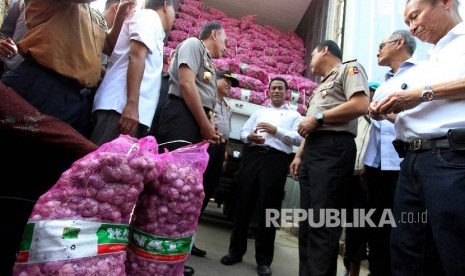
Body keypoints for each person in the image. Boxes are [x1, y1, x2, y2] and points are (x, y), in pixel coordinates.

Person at [0, 0, 135, 274]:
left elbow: (105, 47)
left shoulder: (93, 14)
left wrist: (120, 16)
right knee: (19, 184)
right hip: (42, 84)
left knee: (48, 190)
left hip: (75, 98)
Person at [371, 0, 465, 275]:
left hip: (450, 160)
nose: (412, 27)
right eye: (408, 21)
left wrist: (418, 94)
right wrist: (393, 113)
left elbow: (426, 95)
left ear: (445, 3)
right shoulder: (429, 60)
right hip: (413, 161)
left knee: (454, 251)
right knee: (407, 252)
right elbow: (427, 108)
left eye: (415, 16)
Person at [290, 40, 369, 276]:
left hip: (333, 149)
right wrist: (299, 155)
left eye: (312, 55)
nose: (310, 61)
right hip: (313, 150)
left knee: (323, 223)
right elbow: (311, 124)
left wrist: (320, 118)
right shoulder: (320, 86)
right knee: (307, 224)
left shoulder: (349, 69)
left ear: (324, 50)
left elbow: (361, 104)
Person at [155, 21, 229, 276]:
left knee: (185, 193)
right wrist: (204, 125)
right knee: (171, 189)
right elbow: (187, 85)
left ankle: (169, 258)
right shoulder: (192, 45)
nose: (225, 47)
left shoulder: (209, 62)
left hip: (195, 122)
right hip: (181, 118)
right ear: (214, 34)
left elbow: (206, 98)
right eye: (224, 41)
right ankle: (156, 257)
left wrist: (209, 127)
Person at [220, 77, 303, 276]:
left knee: (269, 209)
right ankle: (235, 252)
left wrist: (277, 131)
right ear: (268, 91)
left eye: (280, 88)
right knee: (243, 204)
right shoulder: (259, 112)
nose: (276, 91)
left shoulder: (294, 115)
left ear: (286, 93)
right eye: (273, 88)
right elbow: (243, 132)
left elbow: (299, 138)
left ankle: (264, 260)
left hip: (275, 160)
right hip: (253, 156)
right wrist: (250, 137)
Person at [363, 29, 418, 276]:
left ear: (399, 43)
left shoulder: (420, 74)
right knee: (376, 226)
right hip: (377, 166)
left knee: (402, 229)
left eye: (381, 45)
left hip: (401, 165)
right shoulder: (384, 83)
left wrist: (385, 115)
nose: (378, 51)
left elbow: (418, 118)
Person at [90, 0, 176, 145]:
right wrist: (131, 105)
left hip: (127, 114)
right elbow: (136, 56)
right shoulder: (150, 17)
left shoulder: (154, 26)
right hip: (120, 111)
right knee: (99, 164)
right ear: (166, 5)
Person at [191, 70, 239, 257]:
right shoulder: (208, 100)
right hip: (208, 148)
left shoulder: (226, 107)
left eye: (231, 84)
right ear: (215, 81)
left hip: (220, 150)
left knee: (206, 193)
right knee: (196, 193)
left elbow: (226, 132)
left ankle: (191, 240)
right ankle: (184, 239)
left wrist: (225, 153)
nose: (229, 86)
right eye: (226, 81)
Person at [341, 81, 379, 276]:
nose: (370, 98)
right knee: (346, 224)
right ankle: (349, 266)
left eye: (373, 94)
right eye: (368, 94)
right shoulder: (352, 118)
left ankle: (356, 268)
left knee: (361, 226)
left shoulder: (380, 122)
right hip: (347, 176)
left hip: (367, 181)